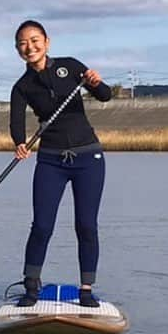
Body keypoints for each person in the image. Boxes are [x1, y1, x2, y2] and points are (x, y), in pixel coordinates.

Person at [10, 20, 111, 307]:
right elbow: (16, 121)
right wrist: (19, 142)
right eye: (22, 43)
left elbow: (105, 96)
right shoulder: (23, 86)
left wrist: (95, 82)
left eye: (34, 40)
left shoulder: (70, 66)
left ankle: (86, 290)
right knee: (42, 225)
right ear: (18, 50)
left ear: (47, 42)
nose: (29, 47)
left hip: (88, 158)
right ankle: (31, 287)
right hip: (51, 160)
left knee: (86, 226)